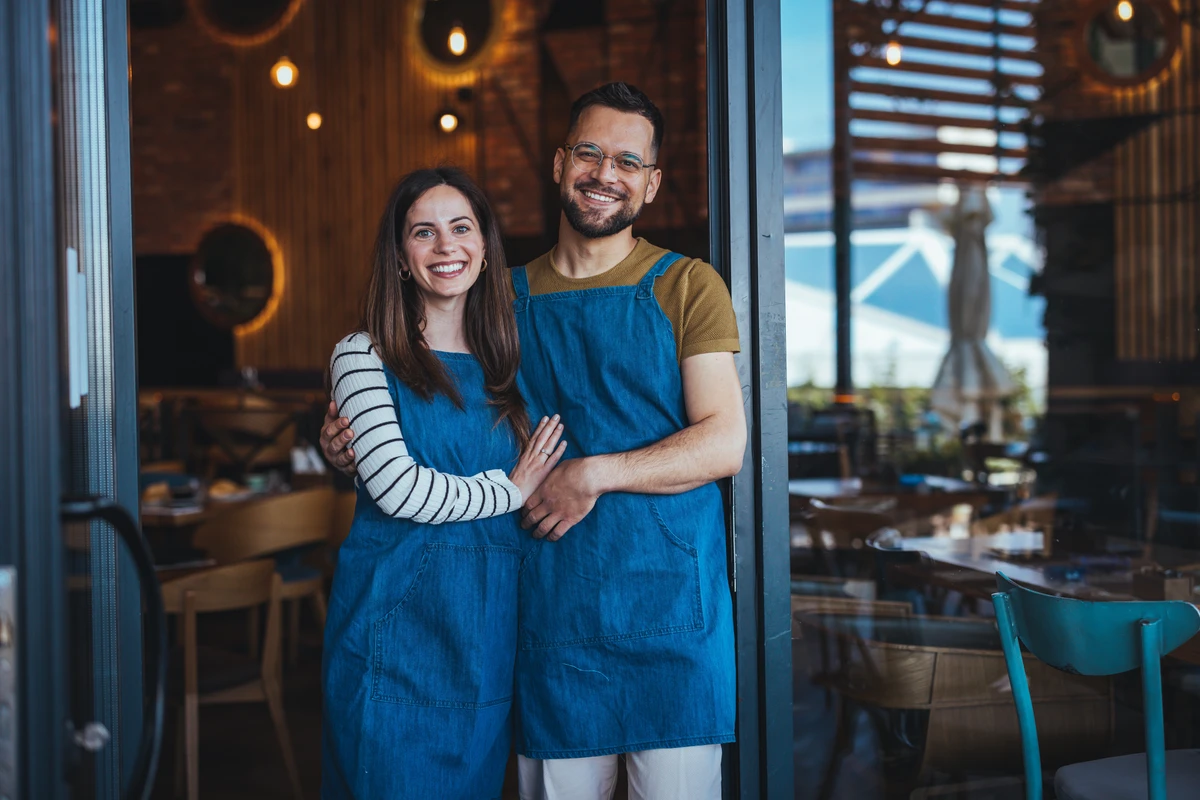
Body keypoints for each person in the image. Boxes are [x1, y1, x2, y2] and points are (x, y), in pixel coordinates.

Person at [321, 82, 746, 800]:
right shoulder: (498, 303)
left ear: (652, 181)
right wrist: (340, 441)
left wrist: (594, 474)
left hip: (671, 612)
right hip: (549, 613)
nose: (605, 174)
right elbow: (429, 400)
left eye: (628, 161)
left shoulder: (689, 286)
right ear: (558, 164)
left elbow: (724, 443)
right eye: (589, 152)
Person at [321, 166, 566, 799]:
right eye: (423, 233)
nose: (445, 246)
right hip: (394, 640)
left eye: (461, 228)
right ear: (401, 258)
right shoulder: (362, 354)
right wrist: (509, 490)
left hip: (483, 640)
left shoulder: (510, 366)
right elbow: (398, 488)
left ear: (485, 247)